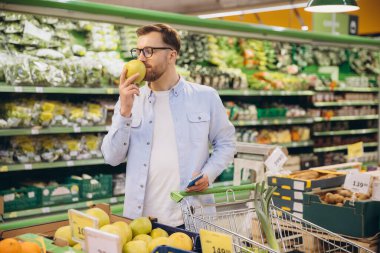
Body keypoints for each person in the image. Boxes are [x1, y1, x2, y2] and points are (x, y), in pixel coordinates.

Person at [101, 24, 235, 227]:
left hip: (192, 217)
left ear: (172, 55)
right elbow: (111, 157)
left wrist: (209, 173)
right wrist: (125, 112)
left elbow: (226, 143)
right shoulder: (130, 99)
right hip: (141, 221)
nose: (140, 59)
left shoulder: (205, 96)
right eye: (138, 51)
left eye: (149, 51)